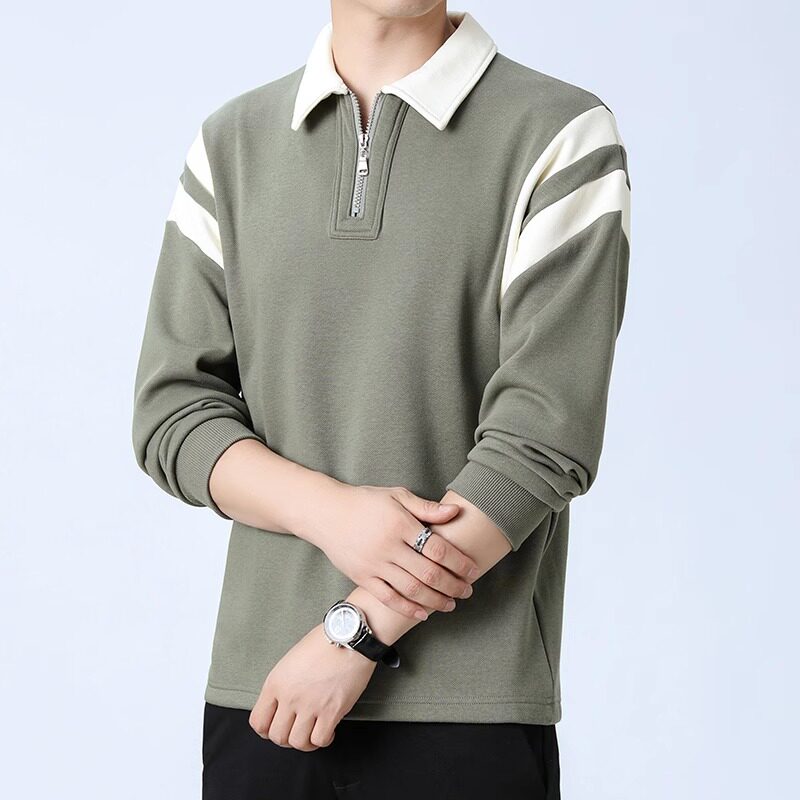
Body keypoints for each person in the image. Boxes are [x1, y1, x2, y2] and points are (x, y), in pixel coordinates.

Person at [131, 1, 631, 797]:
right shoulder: (231, 144)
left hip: (468, 708)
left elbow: (544, 435)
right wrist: (331, 514)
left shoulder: (560, 133)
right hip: (264, 698)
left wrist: (356, 633)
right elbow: (172, 412)